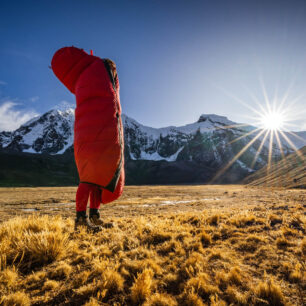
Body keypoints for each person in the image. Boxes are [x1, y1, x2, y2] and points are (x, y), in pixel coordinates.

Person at [51, 48, 125, 232]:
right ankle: (80, 221)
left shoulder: (91, 77)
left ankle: (94, 215)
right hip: (92, 138)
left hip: (92, 138)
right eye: (113, 70)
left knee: (97, 179)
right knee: (88, 180)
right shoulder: (96, 72)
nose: (114, 74)